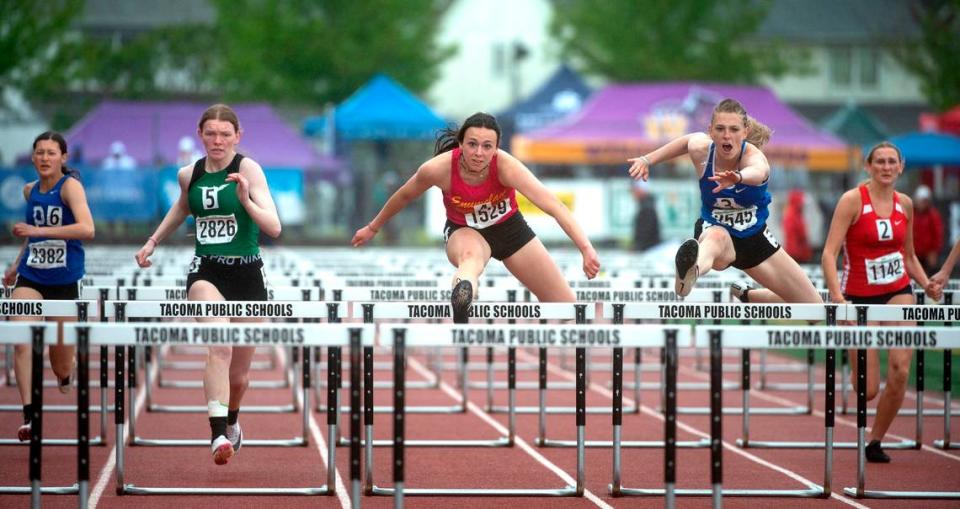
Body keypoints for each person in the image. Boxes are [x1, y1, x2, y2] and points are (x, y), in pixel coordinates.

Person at [134, 104, 281, 466]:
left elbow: (274, 227)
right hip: (207, 272)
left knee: (240, 377)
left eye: (225, 134)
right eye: (211, 133)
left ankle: (231, 419)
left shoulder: (248, 169)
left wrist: (245, 199)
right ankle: (216, 432)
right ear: (200, 134)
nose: (217, 140)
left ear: (237, 137)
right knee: (219, 345)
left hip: (248, 274)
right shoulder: (190, 173)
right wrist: (153, 240)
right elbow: (181, 208)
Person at [351, 112, 600, 321]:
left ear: (496, 149)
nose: (479, 153)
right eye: (472, 144)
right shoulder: (437, 169)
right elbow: (404, 195)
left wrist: (586, 248)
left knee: (567, 307)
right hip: (464, 230)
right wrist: (373, 227)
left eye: (487, 146)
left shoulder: (506, 166)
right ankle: (464, 292)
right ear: (461, 144)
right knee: (471, 260)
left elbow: (554, 206)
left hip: (510, 230)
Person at [626, 98, 822, 305]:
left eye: (733, 131)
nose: (726, 137)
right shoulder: (702, 149)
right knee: (716, 237)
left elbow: (758, 171)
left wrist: (738, 177)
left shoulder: (755, 158)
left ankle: (749, 295)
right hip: (717, 231)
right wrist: (647, 160)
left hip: (754, 237)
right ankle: (691, 271)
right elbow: (686, 141)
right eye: (720, 130)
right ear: (711, 132)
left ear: (744, 135)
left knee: (813, 306)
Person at [820, 141, 942, 463]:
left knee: (901, 370)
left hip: (898, 290)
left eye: (892, 162)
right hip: (858, 295)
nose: (886, 167)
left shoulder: (906, 204)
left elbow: (910, 255)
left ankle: (875, 440)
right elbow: (829, 254)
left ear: (901, 167)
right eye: (880, 162)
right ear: (868, 166)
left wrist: (925, 283)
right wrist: (838, 298)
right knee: (868, 388)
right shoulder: (852, 201)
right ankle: (859, 369)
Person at [3, 132, 94, 441]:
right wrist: (16, 265)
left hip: (65, 282)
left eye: (51, 153)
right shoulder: (30, 191)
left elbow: (87, 228)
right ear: (32, 157)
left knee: (60, 363)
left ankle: (65, 374)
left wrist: (39, 229)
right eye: (39, 152)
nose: (44, 158)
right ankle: (30, 413)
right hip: (31, 278)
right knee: (21, 339)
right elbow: (32, 237)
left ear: (63, 158)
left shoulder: (70, 187)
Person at [912, 185, 944, 275]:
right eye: (921, 201)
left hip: (927, 254)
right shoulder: (911, 212)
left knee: (929, 277)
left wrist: (934, 252)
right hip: (913, 254)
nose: (923, 203)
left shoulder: (933, 215)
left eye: (925, 201)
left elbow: (938, 234)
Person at [782, 188, 812, 263]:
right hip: (797, 252)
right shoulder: (793, 215)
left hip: (796, 251)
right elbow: (802, 234)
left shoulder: (790, 213)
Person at [631, 177, 661, 251]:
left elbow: (645, 234)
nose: (633, 193)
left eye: (635, 190)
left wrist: (637, 248)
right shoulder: (647, 205)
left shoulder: (647, 208)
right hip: (649, 248)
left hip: (649, 250)